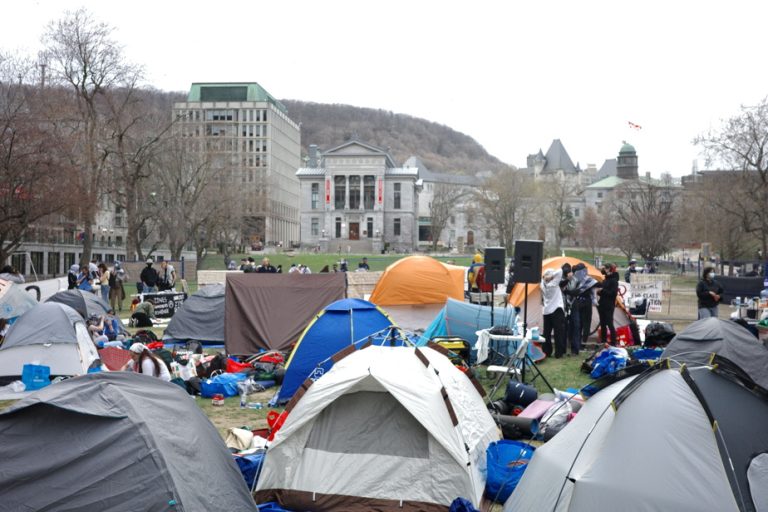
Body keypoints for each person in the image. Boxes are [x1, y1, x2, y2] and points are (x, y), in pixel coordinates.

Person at [568, 263, 598, 349]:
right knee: (582, 324)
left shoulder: (584, 280)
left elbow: (593, 291)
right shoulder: (581, 280)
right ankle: (580, 343)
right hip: (582, 302)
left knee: (583, 323)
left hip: (582, 303)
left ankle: (581, 343)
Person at [540, 268, 566, 358]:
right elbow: (560, 271)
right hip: (556, 309)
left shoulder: (542, 284)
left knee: (546, 333)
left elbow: (542, 277)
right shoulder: (554, 283)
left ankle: (546, 352)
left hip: (547, 310)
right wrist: (551, 276)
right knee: (558, 332)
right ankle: (559, 353)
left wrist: (545, 277)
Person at [596, 263, 619, 346]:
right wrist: (599, 292)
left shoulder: (614, 281)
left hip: (609, 305)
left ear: (609, 269)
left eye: (605, 268)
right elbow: (604, 292)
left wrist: (602, 291)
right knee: (602, 324)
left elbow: (613, 293)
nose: (603, 270)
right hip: (602, 304)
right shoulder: (605, 280)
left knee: (609, 323)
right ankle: (604, 341)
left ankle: (613, 342)